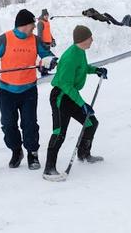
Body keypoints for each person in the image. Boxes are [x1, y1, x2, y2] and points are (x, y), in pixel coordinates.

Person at [0, 9, 57, 170]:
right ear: (24, 24)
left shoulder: (35, 40)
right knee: (8, 124)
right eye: (32, 25)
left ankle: (32, 153)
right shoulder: (5, 39)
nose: (34, 28)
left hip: (29, 90)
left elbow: (48, 55)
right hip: (7, 91)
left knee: (29, 123)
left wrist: (48, 62)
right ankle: (16, 151)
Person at [43, 25, 107, 180]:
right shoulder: (70, 57)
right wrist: (82, 104)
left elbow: (83, 68)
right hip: (61, 97)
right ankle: (49, 169)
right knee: (59, 133)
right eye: (90, 37)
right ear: (83, 39)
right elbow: (66, 84)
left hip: (70, 95)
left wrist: (96, 70)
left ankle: (84, 154)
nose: (92, 39)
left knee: (91, 122)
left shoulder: (80, 52)